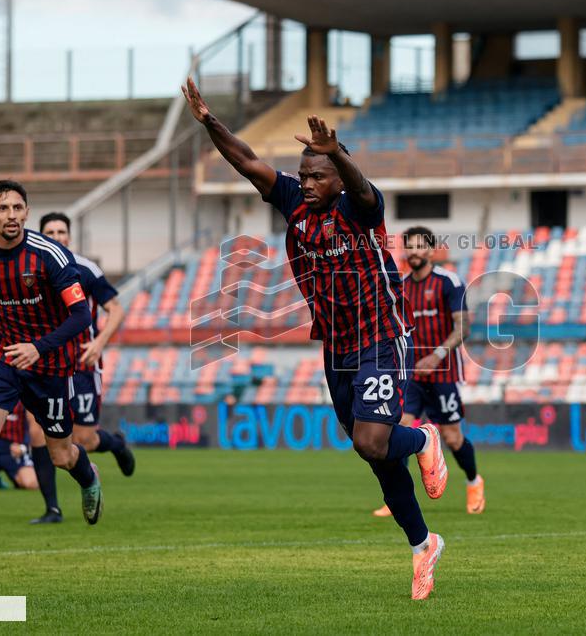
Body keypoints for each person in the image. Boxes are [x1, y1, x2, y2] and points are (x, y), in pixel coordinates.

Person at [182, 78, 448, 600]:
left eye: (316, 174)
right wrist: (210, 121)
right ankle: (423, 547)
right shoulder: (295, 205)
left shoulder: (360, 211)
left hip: (380, 338)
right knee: (373, 455)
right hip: (337, 346)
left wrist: (337, 155)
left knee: (374, 440)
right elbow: (248, 161)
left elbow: (365, 189)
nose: (304, 182)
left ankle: (423, 438)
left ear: (337, 177)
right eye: (302, 174)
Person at [0, 179, 102, 566]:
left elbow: (82, 315)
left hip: (49, 363)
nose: (12, 216)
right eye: (3, 209)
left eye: (18, 208)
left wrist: (38, 346)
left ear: (26, 212)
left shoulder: (48, 256)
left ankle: (87, 477)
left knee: (59, 454)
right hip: (0, 354)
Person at [26, 212, 134, 525]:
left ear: (69, 237)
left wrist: (99, 343)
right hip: (44, 362)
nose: (57, 236)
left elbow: (115, 309)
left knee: (83, 440)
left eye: (62, 231)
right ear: (41, 235)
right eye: (51, 231)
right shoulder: (30, 269)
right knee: (37, 431)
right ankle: (52, 509)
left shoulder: (85, 269)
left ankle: (115, 443)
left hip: (82, 363)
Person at [373, 226, 483, 518]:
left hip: (443, 372)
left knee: (452, 438)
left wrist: (436, 355)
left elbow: (463, 328)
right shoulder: (402, 285)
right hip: (410, 374)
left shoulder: (449, 282)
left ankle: (474, 481)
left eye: (420, 246)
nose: (414, 252)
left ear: (432, 250)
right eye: (409, 247)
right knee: (398, 432)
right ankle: (398, 497)